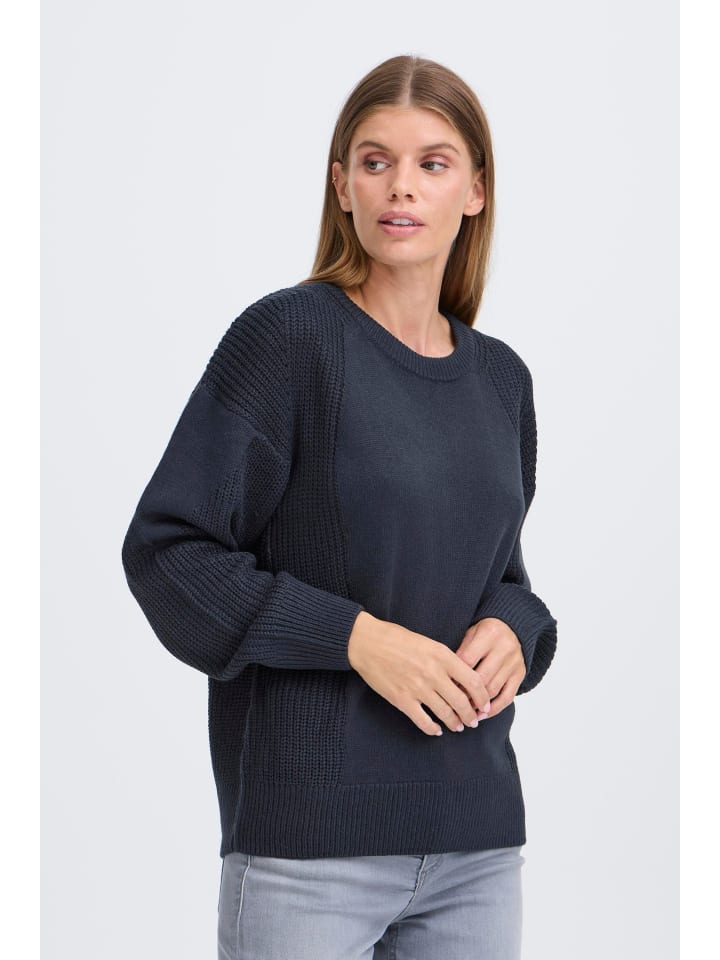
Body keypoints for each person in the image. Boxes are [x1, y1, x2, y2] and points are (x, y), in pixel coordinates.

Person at [121, 54, 558, 960]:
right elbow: (169, 552)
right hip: (310, 851)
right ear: (341, 185)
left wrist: (520, 628)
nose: (402, 187)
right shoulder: (290, 340)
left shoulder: (501, 381)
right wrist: (358, 639)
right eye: (375, 161)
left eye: (433, 163)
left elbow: (499, 576)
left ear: (476, 191)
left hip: (476, 842)